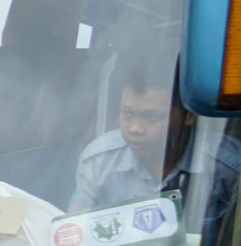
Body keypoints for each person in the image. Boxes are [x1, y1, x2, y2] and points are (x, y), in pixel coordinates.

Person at [72, 76, 173, 212]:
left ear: (189, 116)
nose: (134, 129)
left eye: (151, 117)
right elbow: (76, 223)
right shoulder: (98, 161)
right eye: (128, 114)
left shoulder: (205, 164)